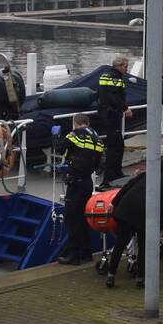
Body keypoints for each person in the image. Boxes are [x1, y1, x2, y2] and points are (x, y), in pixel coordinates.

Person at [104, 159, 163, 288]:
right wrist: (159, 227)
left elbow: (128, 186)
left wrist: (114, 203)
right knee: (143, 247)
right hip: (143, 217)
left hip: (125, 210)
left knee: (120, 244)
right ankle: (140, 278)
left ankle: (111, 275)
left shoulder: (149, 175)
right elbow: (162, 211)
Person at [53, 114, 104, 265]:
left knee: (71, 218)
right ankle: (86, 253)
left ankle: (73, 255)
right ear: (88, 123)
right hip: (87, 182)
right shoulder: (97, 138)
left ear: (76, 123)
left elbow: (60, 148)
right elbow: (99, 164)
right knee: (83, 218)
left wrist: (55, 135)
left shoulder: (75, 134)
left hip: (75, 183)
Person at [96, 55, 134, 185]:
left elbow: (103, 94)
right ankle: (109, 177)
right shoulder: (115, 77)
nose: (126, 69)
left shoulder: (105, 75)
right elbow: (114, 97)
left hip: (106, 113)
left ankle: (117, 172)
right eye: (125, 66)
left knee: (118, 145)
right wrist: (125, 108)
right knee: (115, 147)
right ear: (118, 66)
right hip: (111, 115)